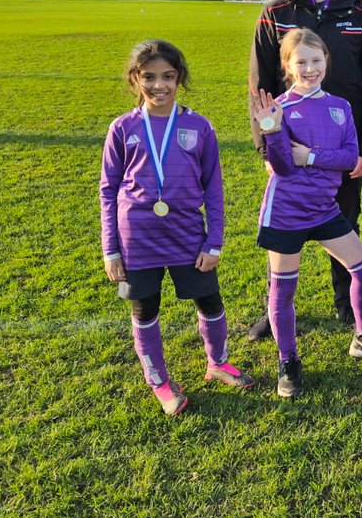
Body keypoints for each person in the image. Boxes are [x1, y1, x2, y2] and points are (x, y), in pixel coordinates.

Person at [248, 0, 362, 337]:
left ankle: (348, 307)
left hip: (342, 148)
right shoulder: (275, 13)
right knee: (283, 229)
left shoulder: (360, 13)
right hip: (287, 151)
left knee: (345, 221)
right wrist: (267, 150)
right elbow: (259, 88)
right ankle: (272, 308)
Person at [100, 40, 255, 416]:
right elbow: (108, 190)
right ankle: (160, 382)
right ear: (135, 79)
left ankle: (217, 363)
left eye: (168, 77)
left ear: (179, 78)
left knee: (210, 301)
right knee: (145, 309)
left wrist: (214, 240)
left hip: (188, 235)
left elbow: (213, 188)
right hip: (136, 239)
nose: (159, 86)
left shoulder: (198, 126)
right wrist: (110, 248)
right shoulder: (122, 128)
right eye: (149, 77)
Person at [250, 29, 362, 398]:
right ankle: (288, 360)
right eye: (301, 61)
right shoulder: (279, 108)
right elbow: (284, 167)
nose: (310, 68)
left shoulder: (340, 107)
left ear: (326, 62)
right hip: (286, 211)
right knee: (284, 291)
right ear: (287, 65)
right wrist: (271, 130)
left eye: (316, 60)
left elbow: (350, 158)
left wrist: (311, 156)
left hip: (324, 209)